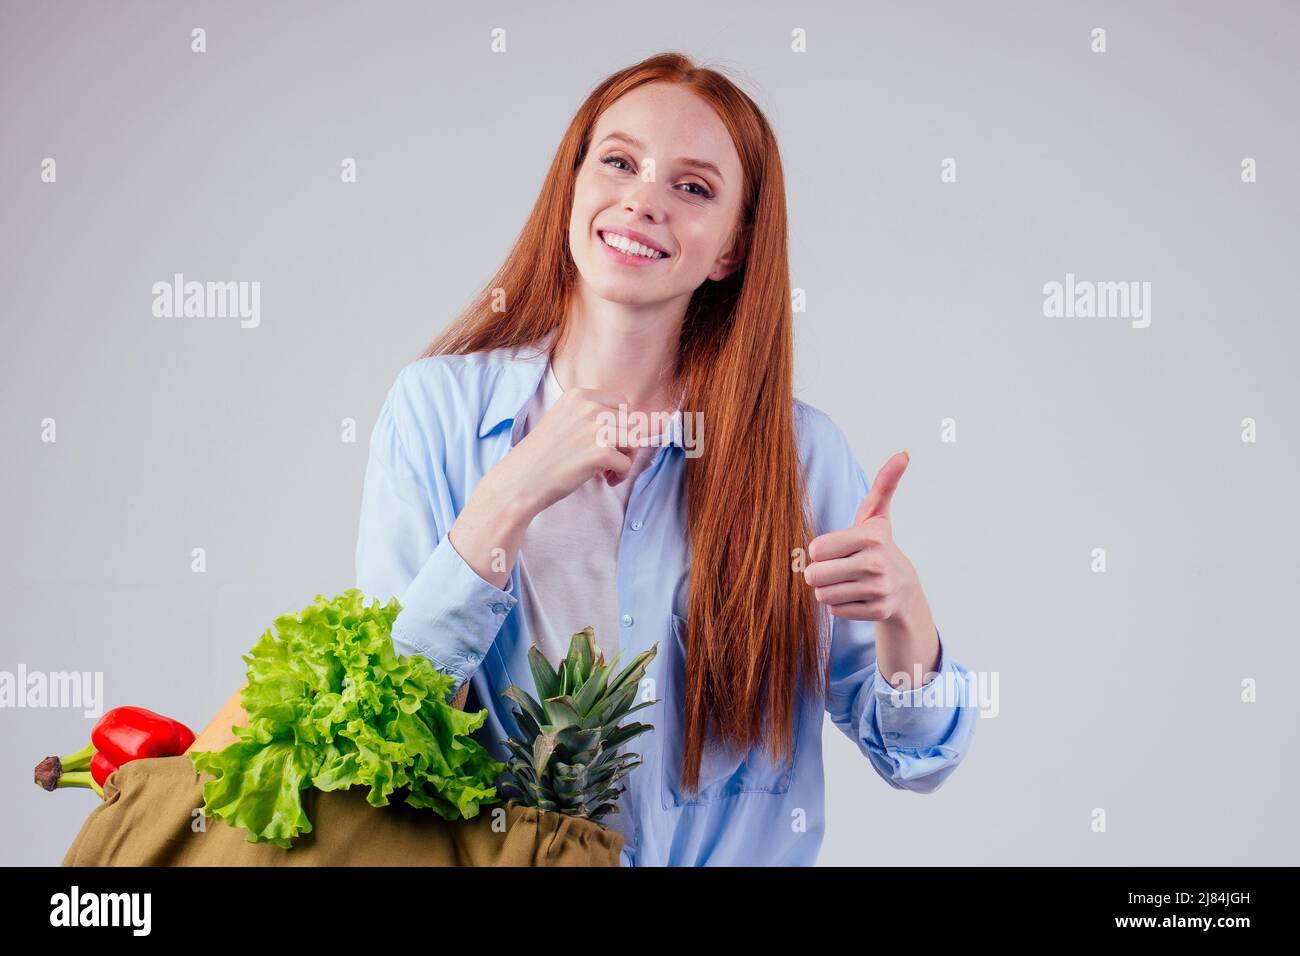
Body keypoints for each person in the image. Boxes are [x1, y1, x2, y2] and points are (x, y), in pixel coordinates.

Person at [355, 51, 977, 866]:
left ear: (729, 249)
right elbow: (389, 734)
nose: (644, 199)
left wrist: (907, 619)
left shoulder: (802, 456)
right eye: (619, 162)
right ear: (573, 186)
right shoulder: (435, 411)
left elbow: (917, 756)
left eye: (694, 187)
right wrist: (509, 496)